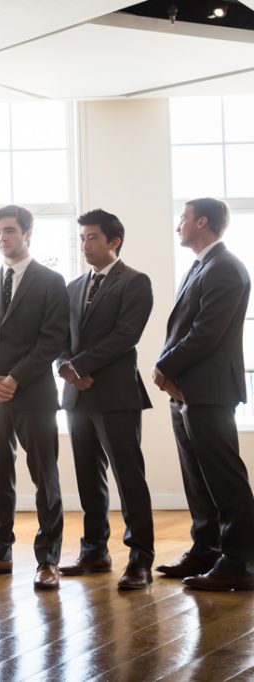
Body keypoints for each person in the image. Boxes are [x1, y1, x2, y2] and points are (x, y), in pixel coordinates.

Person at [0, 205, 69, 590]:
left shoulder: (52, 281)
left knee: (45, 478)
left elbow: (54, 339)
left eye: (8, 231)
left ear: (27, 233)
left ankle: (48, 560)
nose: (2, 238)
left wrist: (15, 378)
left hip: (34, 395)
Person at [153, 197, 254, 591]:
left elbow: (206, 333)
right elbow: (185, 328)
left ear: (202, 222)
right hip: (186, 391)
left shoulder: (225, 268)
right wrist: (170, 373)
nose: (178, 225)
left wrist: (165, 367)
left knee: (224, 478)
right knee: (197, 478)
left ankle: (240, 561)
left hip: (209, 390)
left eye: (183, 218)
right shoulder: (201, 266)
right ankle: (206, 549)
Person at [57, 209, 155, 590]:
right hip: (76, 395)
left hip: (115, 394)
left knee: (129, 478)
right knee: (87, 477)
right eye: (81, 238)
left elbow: (125, 335)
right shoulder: (73, 286)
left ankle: (140, 559)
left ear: (114, 241)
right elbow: (60, 338)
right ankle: (95, 550)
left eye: (92, 237)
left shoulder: (135, 282)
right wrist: (66, 367)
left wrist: (78, 366)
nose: (85, 244)